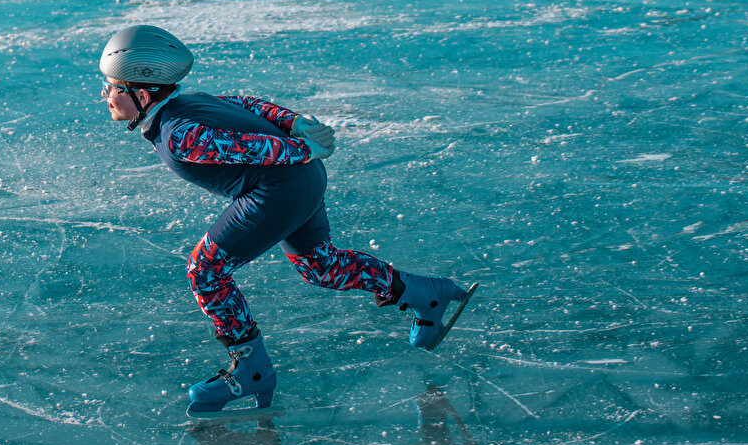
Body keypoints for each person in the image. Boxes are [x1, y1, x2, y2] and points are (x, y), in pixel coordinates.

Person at [99, 25, 476, 414]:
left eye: (111, 88)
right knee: (321, 267)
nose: (106, 96)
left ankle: (251, 370)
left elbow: (252, 148)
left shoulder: (179, 134)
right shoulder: (189, 102)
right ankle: (426, 294)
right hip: (303, 179)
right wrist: (294, 124)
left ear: (142, 94)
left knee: (205, 271)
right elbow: (246, 105)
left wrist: (299, 143)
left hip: (280, 190)